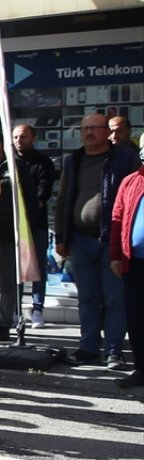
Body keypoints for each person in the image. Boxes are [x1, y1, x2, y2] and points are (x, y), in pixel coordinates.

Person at [53, 112, 140, 369]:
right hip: (80, 240)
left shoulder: (124, 159)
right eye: (85, 128)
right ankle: (88, 347)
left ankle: (114, 350)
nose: (89, 132)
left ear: (107, 131)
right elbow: (63, 200)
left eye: (95, 128)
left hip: (112, 240)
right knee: (87, 297)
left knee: (114, 297)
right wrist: (61, 237)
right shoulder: (74, 160)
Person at [0, 130, 35, 344]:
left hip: (8, 235)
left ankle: (4, 324)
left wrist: (23, 232)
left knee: (7, 283)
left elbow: (28, 201)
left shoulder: (15, 168)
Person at [12, 124, 56, 328]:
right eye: (15, 137)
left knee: (38, 266)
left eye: (23, 137)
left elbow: (42, 195)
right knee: (15, 268)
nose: (19, 141)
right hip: (12, 225)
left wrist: (26, 211)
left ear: (33, 138)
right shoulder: (8, 161)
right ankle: (15, 309)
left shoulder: (43, 162)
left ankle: (37, 308)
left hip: (36, 224)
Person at [108, 137, 144, 388]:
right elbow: (117, 220)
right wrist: (115, 256)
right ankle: (141, 368)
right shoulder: (131, 181)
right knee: (137, 318)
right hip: (135, 263)